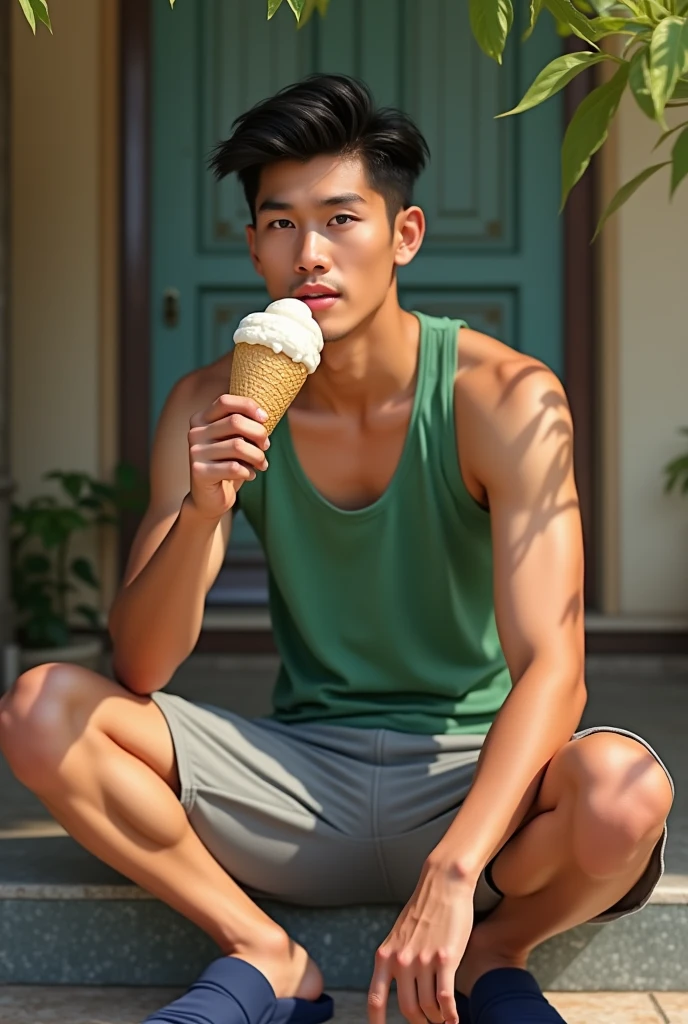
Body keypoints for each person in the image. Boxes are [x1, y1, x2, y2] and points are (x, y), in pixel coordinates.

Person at [0, 75, 674, 1024]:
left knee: (624, 789)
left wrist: (454, 867)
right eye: (280, 224)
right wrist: (205, 508)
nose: (309, 254)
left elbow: (556, 669)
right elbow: (142, 664)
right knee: (41, 711)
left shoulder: (505, 397)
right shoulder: (208, 404)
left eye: (342, 219)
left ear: (405, 235)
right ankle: (264, 955)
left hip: (468, 776)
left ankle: (495, 956)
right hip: (297, 782)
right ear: (253, 245)